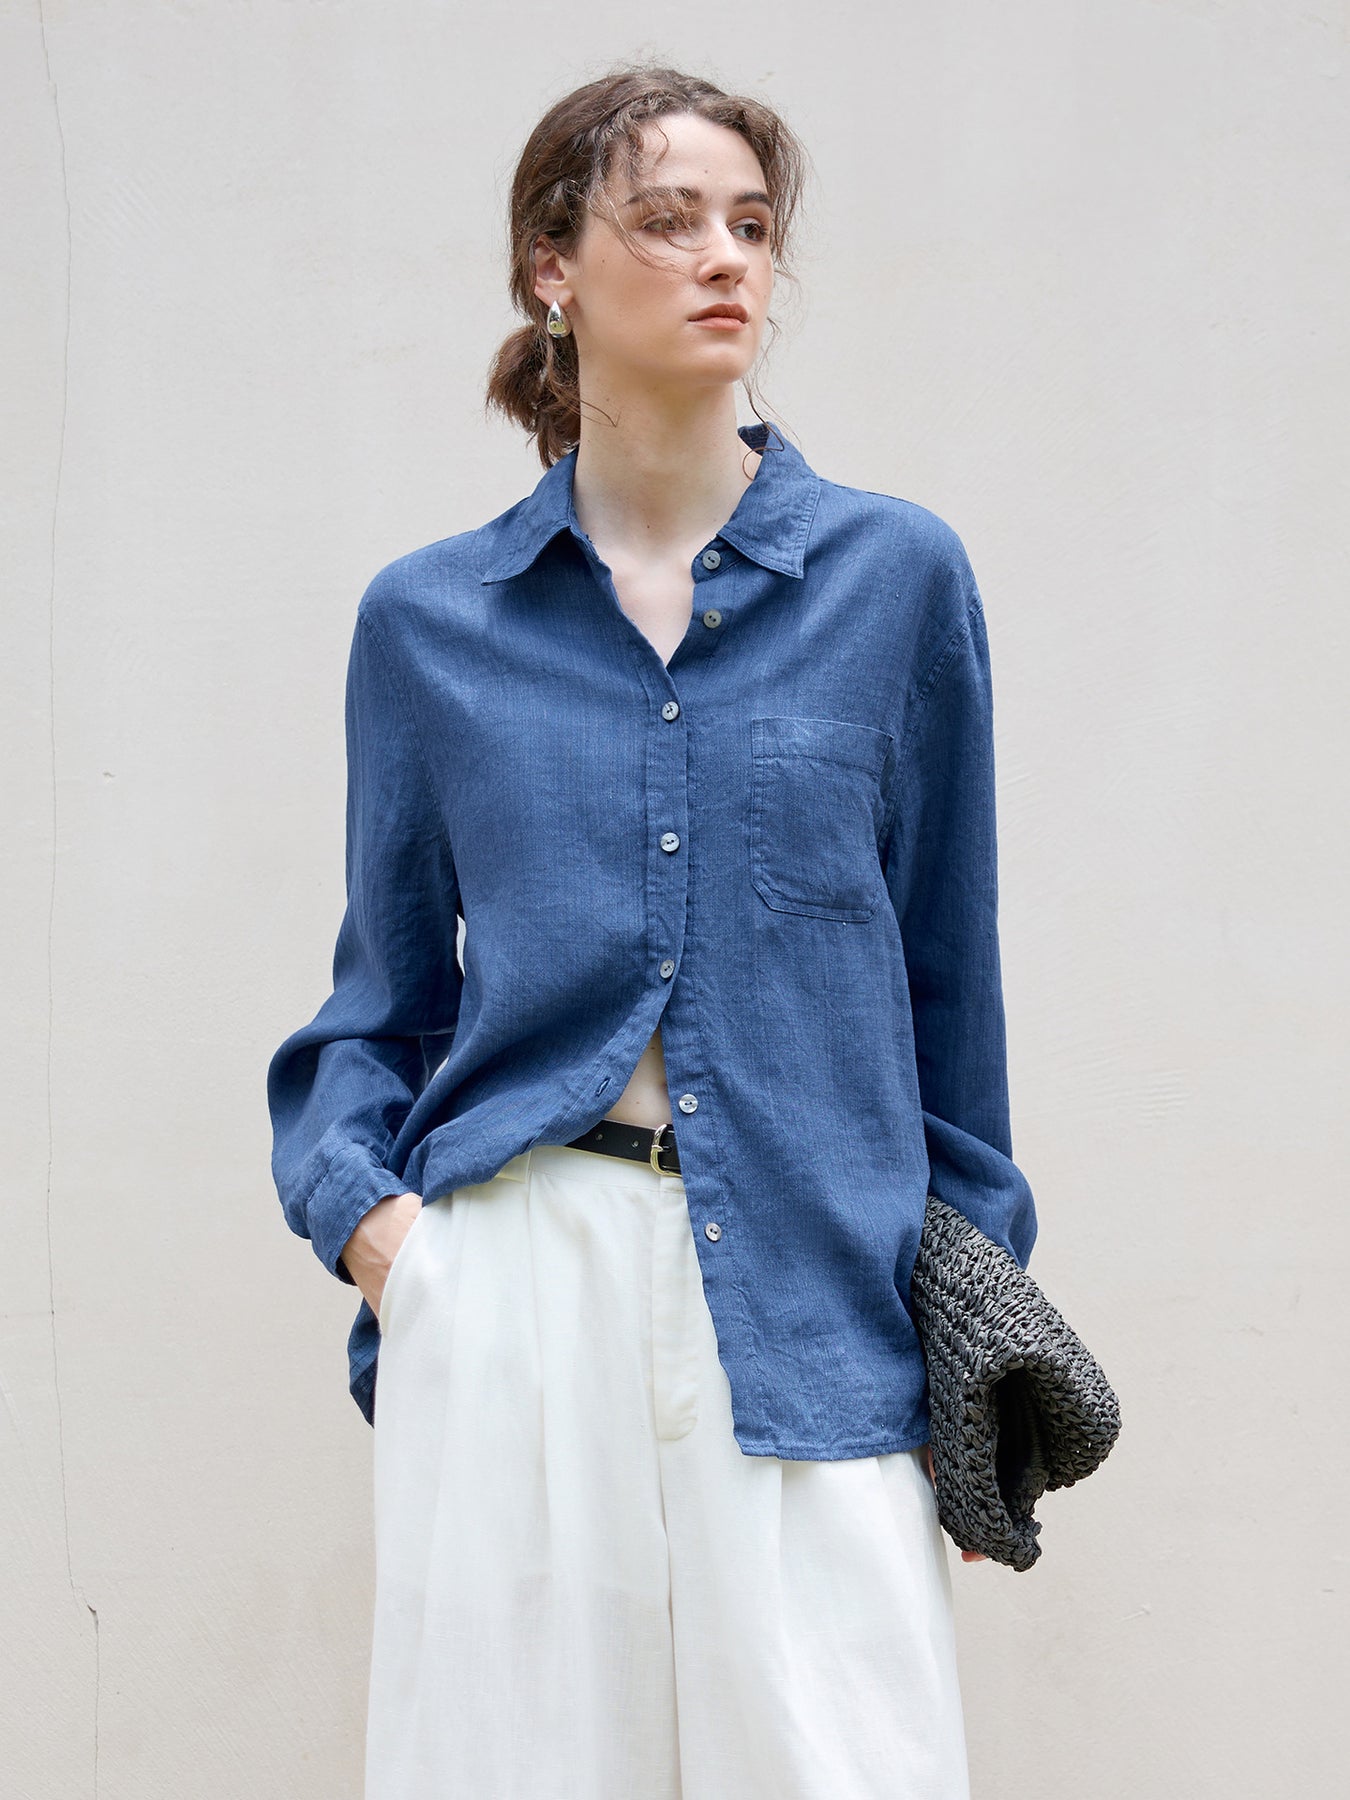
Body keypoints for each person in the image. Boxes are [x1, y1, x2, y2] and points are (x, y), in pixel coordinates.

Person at [266, 60, 1038, 1800]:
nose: (725, 259)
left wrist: (969, 1327)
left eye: (750, 225)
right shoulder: (429, 624)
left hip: (815, 1283)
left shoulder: (896, 581)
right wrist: (392, 1246)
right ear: (553, 266)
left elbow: (948, 989)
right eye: (668, 219)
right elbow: (376, 1007)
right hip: (517, 1282)